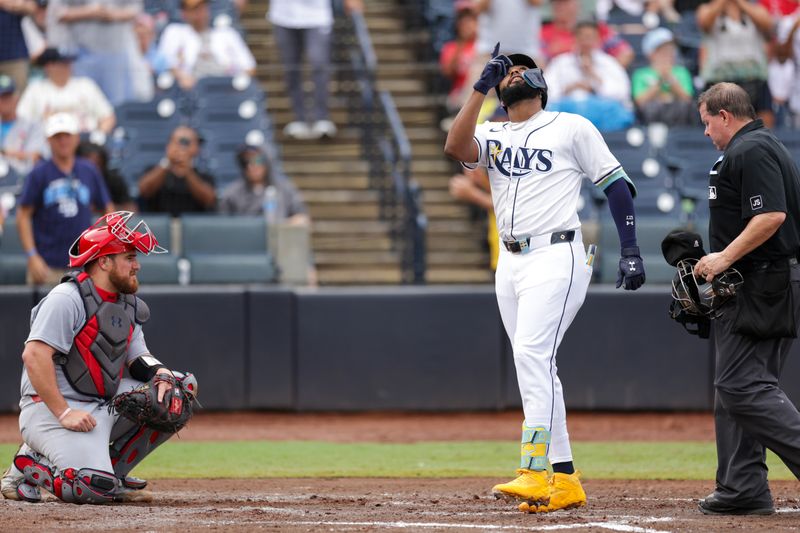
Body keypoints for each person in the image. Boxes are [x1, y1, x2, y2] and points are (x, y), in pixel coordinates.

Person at [444, 44, 645, 513]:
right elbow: (455, 147)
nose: (513, 73)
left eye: (522, 68)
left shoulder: (570, 126)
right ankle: (566, 479)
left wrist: (631, 249)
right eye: (505, 70)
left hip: (557, 253)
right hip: (511, 262)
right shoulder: (492, 131)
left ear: (540, 82)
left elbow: (616, 184)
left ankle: (535, 470)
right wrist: (480, 85)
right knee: (534, 365)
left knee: (532, 355)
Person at [0, 210, 197, 504]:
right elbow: (34, 355)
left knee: (179, 391)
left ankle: (112, 474)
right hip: (50, 410)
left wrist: (163, 374)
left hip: (99, 403)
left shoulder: (127, 304)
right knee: (90, 489)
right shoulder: (67, 298)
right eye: (129, 257)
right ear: (103, 261)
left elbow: (139, 358)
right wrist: (64, 413)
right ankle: (25, 465)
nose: (137, 265)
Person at [692, 82, 800, 516]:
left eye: (706, 123)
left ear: (724, 115)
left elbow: (771, 215)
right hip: (760, 281)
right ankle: (742, 488)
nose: (705, 133)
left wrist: (722, 258)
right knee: (740, 387)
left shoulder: (750, 149)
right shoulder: (756, 146)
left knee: (740, 386)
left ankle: (744, 487)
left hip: (762, 282)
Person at [17, 112, 113, 286]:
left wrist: (103, 249)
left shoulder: (89, 170)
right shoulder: (38, 173)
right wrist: (32, 256)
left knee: (87, 313)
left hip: (85, 266)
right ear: (49, 140)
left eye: (67, 135)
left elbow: (108, 209)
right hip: (47, 266)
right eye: (57, 136)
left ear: (76, 138)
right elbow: (23, 215)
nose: (63, 141)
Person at [267, 0, 362, 140]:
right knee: (291, 69)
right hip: (282, 16)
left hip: (317, 16)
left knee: (319, 65)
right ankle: (299, 118)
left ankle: (322, 118)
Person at [45, 0, 144, 105]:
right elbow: (58, 12)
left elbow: (136, 9)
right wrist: (90, 12)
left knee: (117, 107)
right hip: (81, 53)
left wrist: (112, 14)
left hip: (115, 52)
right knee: (82, 104)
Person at [697, 0, 775, 127]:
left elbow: (767, 24)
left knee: (763, 128)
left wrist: (740, 3)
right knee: (720, 127)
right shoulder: (707, 9)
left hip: (754, 81)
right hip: (719, 83)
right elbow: (704, 22)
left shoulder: (756, 10)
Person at [546, 21, 635, 131]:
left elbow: (622, 93)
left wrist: (593, 80)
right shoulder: (560, 62)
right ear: (575, 39)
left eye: (590, 37)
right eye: (582, 37)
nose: (586, 42)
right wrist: (568, 89)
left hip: (601, 115)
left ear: (598, 39)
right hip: (567, 112)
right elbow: (546, 92)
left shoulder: (609, 63)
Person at [16, 47, 116, 136]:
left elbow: (108, 116)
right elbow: (22, 120)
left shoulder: (85, 85)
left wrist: (99, 135)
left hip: (86, 140)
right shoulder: (36, 89)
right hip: (50, 143)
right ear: (48, 66)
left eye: (68, 63)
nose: (67, 67)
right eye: (61, 63)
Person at [158, 0, 255, 91]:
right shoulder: (174, 31)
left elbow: (249, 66)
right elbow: (164, 62)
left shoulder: (227, 33)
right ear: (184, 13)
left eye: (202, 8)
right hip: (190, 92)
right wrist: (181, 76)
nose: (199, 13)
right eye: (194, 9)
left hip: (225, 89)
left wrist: (236, 83)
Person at [137, 125, 216, 216]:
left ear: (196, 148)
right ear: (168, 146)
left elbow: (209, 200)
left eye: (187, 143)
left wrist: (187, 171)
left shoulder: (204, 175)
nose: (182, 147)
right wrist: (167, 162)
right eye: (178, 142)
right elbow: (144, 191)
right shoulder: (154, 170)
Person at [541, 0, 634, 68]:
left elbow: (625, 52)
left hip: (597, 82)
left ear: (577, 4)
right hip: (561, 85)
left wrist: (607, 74)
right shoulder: (543, 33)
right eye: (556, 3)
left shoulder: (595, 28)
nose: (559, 6)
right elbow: (537, 61)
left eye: (564, 3)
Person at [632, 27, 696, 126]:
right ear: (651, 54)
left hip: (679, 121)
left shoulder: (682, 72)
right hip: (651, 121)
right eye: (662, 50)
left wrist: (670, 78)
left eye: (671, 49)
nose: (668, 53)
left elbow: (687, 99)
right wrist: (660, 80)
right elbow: (640, 102)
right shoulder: (640, 74)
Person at [0, 73, 48, 177]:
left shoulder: (32, 125)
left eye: (8, 96)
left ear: (16, 98)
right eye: (1, 97)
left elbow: (35, 156)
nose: (5, 101)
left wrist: (4, 152)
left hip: (23, 178)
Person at [439, 2, 478, 114]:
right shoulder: (451, 47)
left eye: (471, 21)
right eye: (463, 22)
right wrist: (462, 43)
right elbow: (448, 72)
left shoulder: (484, 48)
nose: (467, 25)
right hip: (460, 94)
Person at [76, 140, 136, 211]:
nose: (91, 169)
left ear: (103, 164)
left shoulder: (114, 180)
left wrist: (102, 209)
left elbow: (131, 209)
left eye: (97, 164)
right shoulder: (70, 180)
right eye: (87, 165)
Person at [0, 0, 36, 91]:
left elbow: (32, 7)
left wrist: (12, 4)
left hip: (14, 53)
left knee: (20, 98)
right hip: (14, 52)